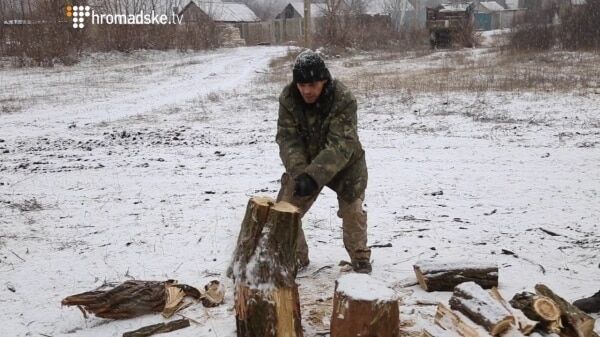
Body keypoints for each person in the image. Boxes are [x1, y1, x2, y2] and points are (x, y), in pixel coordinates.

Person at [275, 50, 372, 274]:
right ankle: (296, 256)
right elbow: (288, 139)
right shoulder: (289, 99)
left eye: (312, 84)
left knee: (353, 212)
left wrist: (314, 175)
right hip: (306, 164)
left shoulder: (343, 99)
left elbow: (341, 144)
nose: (306, 90)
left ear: (324, 80)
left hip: (347, 165)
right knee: (285, 210)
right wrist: (300, 174)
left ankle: (359, 256)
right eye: (301, 85)